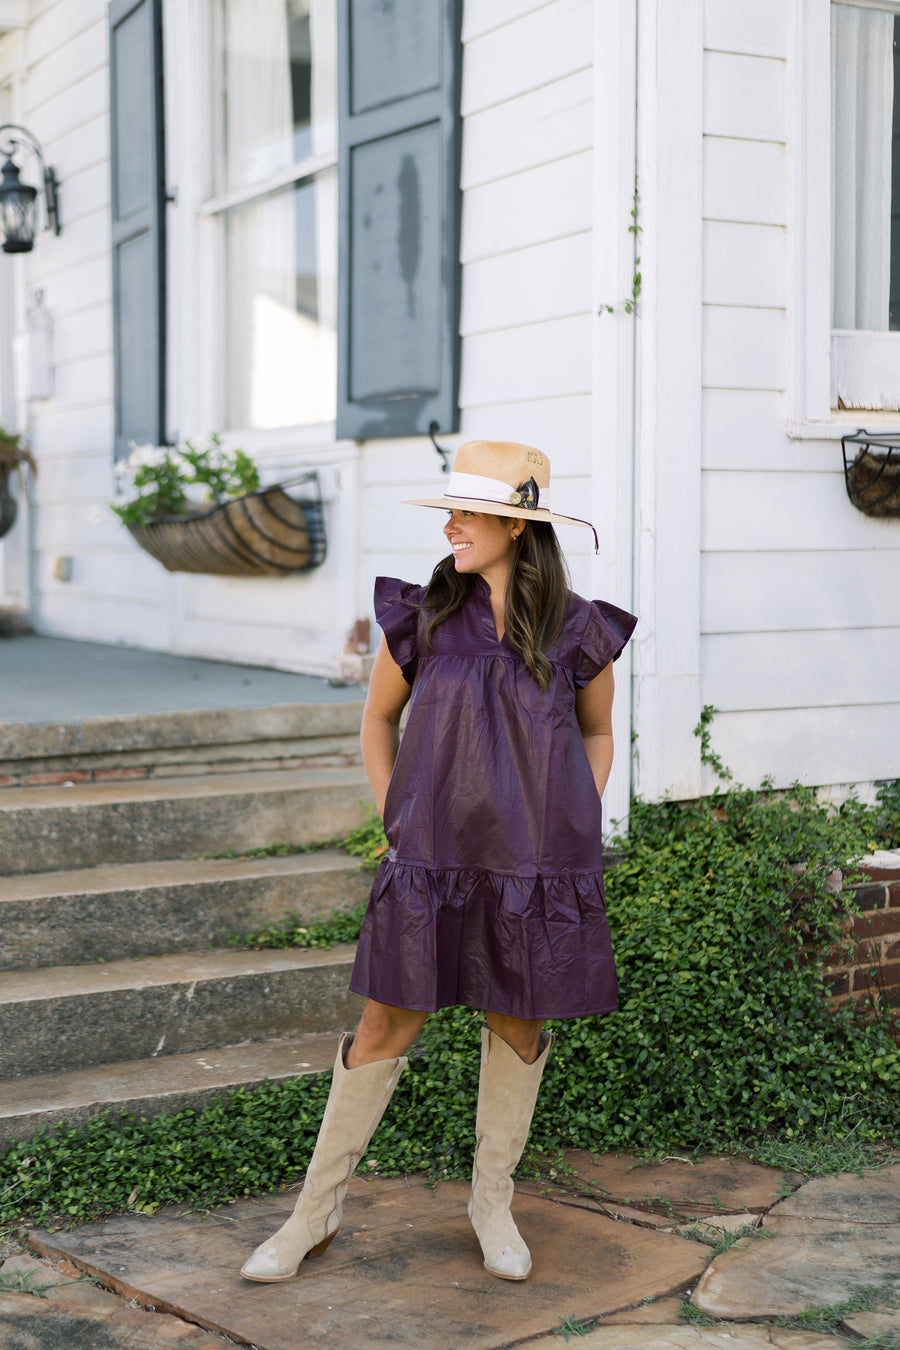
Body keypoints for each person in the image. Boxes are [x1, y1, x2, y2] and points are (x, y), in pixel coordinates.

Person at [241, 439, 637, 1285]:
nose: (451, 524)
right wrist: (398, 813)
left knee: (519, 1022)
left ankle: (491, 1204)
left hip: (534, 869)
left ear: (516, 525)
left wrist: (571, 821)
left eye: (467, 511)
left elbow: (599, 732)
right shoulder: (421, 614)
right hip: (430, 861)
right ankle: (314, 1214)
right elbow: (377, 722)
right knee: (385, 1021)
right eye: (450, 512)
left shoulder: (578, 628)